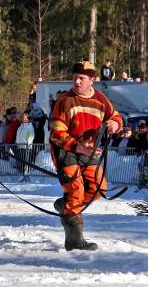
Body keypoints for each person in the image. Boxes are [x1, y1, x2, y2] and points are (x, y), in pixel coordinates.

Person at [50, 60, 122, 251]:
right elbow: (56, 134)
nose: (77, 82)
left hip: (91, 152)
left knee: (99, 189)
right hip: (67, 151)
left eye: (81, 78)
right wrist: (79, 147)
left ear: (93, 79)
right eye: (74, 78)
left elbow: (115, 117)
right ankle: (74, 240)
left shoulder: (101, 100)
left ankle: (66, 208)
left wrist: (115, 124)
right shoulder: (64, 101)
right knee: (75, 190)